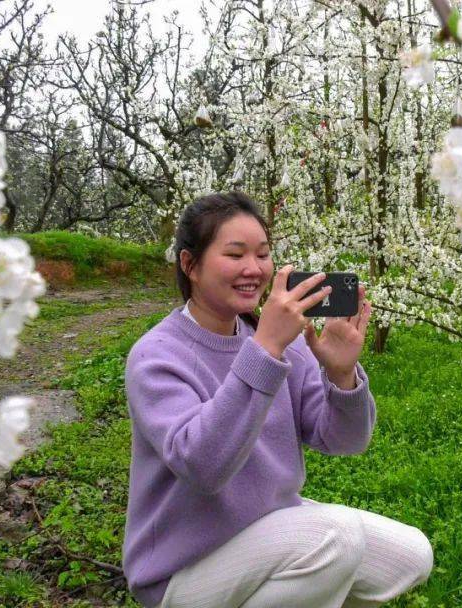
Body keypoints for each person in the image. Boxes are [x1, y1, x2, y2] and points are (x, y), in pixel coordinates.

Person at [123, 192, 434, 608]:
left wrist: (341, 374)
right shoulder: (157, 355)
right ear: (190, 265)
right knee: (335, 537)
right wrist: (266, 349)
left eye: (263, 254)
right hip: (182, 568)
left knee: (410, 556)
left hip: (269, 532)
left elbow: (343, 442)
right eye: (235, 255)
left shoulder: (273, 337)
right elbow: (203, 467)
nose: (254, 269)